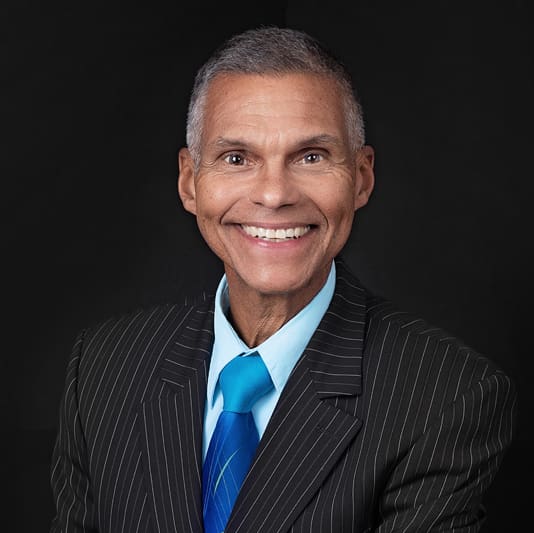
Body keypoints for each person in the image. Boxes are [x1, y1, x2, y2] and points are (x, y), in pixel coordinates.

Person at [50, 27, 516, 533]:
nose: (274, 195)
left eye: (311, 156)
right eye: (236, 158)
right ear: (190, 182)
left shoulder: (446, 396)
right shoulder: (103, 366)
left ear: (361, 178)